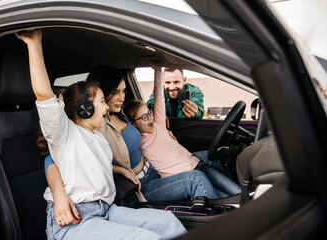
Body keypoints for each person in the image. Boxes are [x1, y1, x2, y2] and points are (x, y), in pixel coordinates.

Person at [16, 29, 186, 240]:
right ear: (85, 108)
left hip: (105, 210)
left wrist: (121, 170)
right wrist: (34, 44)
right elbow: (43, 94)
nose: (107, 108)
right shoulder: (65, 134)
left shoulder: (97, 137)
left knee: (168, 222)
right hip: (75, 220)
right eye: (102, 102)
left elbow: (93, 162)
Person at [44, 65, 222, 227]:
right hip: (141, 184)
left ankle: (234, 203)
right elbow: (52, 158)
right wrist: (59, 194)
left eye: (124, 91)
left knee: (209, 157)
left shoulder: (121, 114)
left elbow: (143, 120)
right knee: (196, 178)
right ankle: (224, 224)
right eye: (116, 92)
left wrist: (161, 128)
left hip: (156, 169)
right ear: (101, 94)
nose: (122, 97)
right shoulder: (94, 124)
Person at [124, 62, 241, 197]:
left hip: (199, 165)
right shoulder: (137, 140)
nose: (150, 118)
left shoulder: (158, 124)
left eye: (149, 113)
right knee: (227, 200)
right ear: (133, 124)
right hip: (187, 174)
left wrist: (157, 70)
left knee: (237, 193)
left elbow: (159, 99)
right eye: (144, 117)